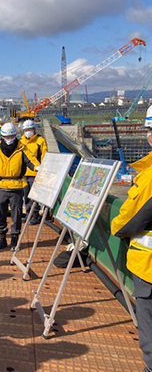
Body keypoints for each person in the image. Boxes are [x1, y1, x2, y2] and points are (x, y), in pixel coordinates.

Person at [111, 105, 152, 372]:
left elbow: (129, 220)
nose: (149, 135)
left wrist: (114, 225)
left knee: (148, 324)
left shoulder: (149, 176)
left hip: (147, 265)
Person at [0, 122, 40, 251]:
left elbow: (31, 160)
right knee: (0, 213)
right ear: (2, 137)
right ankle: (2, 237)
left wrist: (38, 167)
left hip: (17, 187)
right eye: (6, 137)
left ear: (15, 136)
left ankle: (14, 238)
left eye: (11, 137)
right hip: (1, 186)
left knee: (16, 214)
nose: (9, 140)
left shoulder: (22, 149)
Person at [20, 119, 48, 225]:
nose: (28, 131)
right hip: (24, 174)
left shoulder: (40, 141)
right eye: (26, 130)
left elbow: (44, 156)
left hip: (35, 174)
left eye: (30, 129)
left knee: (34, 196)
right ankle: (28, 215)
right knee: (26, 195)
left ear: (34, 129)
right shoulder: (21, 141)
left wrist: (42, 170)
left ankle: (35, 215)